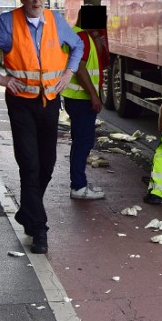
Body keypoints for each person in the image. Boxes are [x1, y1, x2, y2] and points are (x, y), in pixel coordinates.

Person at [0, 0, 83, 254]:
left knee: (46, 165)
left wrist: (68, 73)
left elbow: (78, 46)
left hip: (48, 102)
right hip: (21, 103)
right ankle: (39, 229)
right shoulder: (7, 23)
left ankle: (26, 211)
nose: (36, 0)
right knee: (29, 165)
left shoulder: (55, 21)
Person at [60, 16, 105, 200]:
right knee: (83, 142)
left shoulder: (80, 35)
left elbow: (99, 60)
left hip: (75, 98)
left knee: (81, 141)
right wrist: (94, 95)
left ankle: (79, 184)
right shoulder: (82, 38)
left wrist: (96, 37)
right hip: (81, 98)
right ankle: (78, 186)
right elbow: (80, 68)